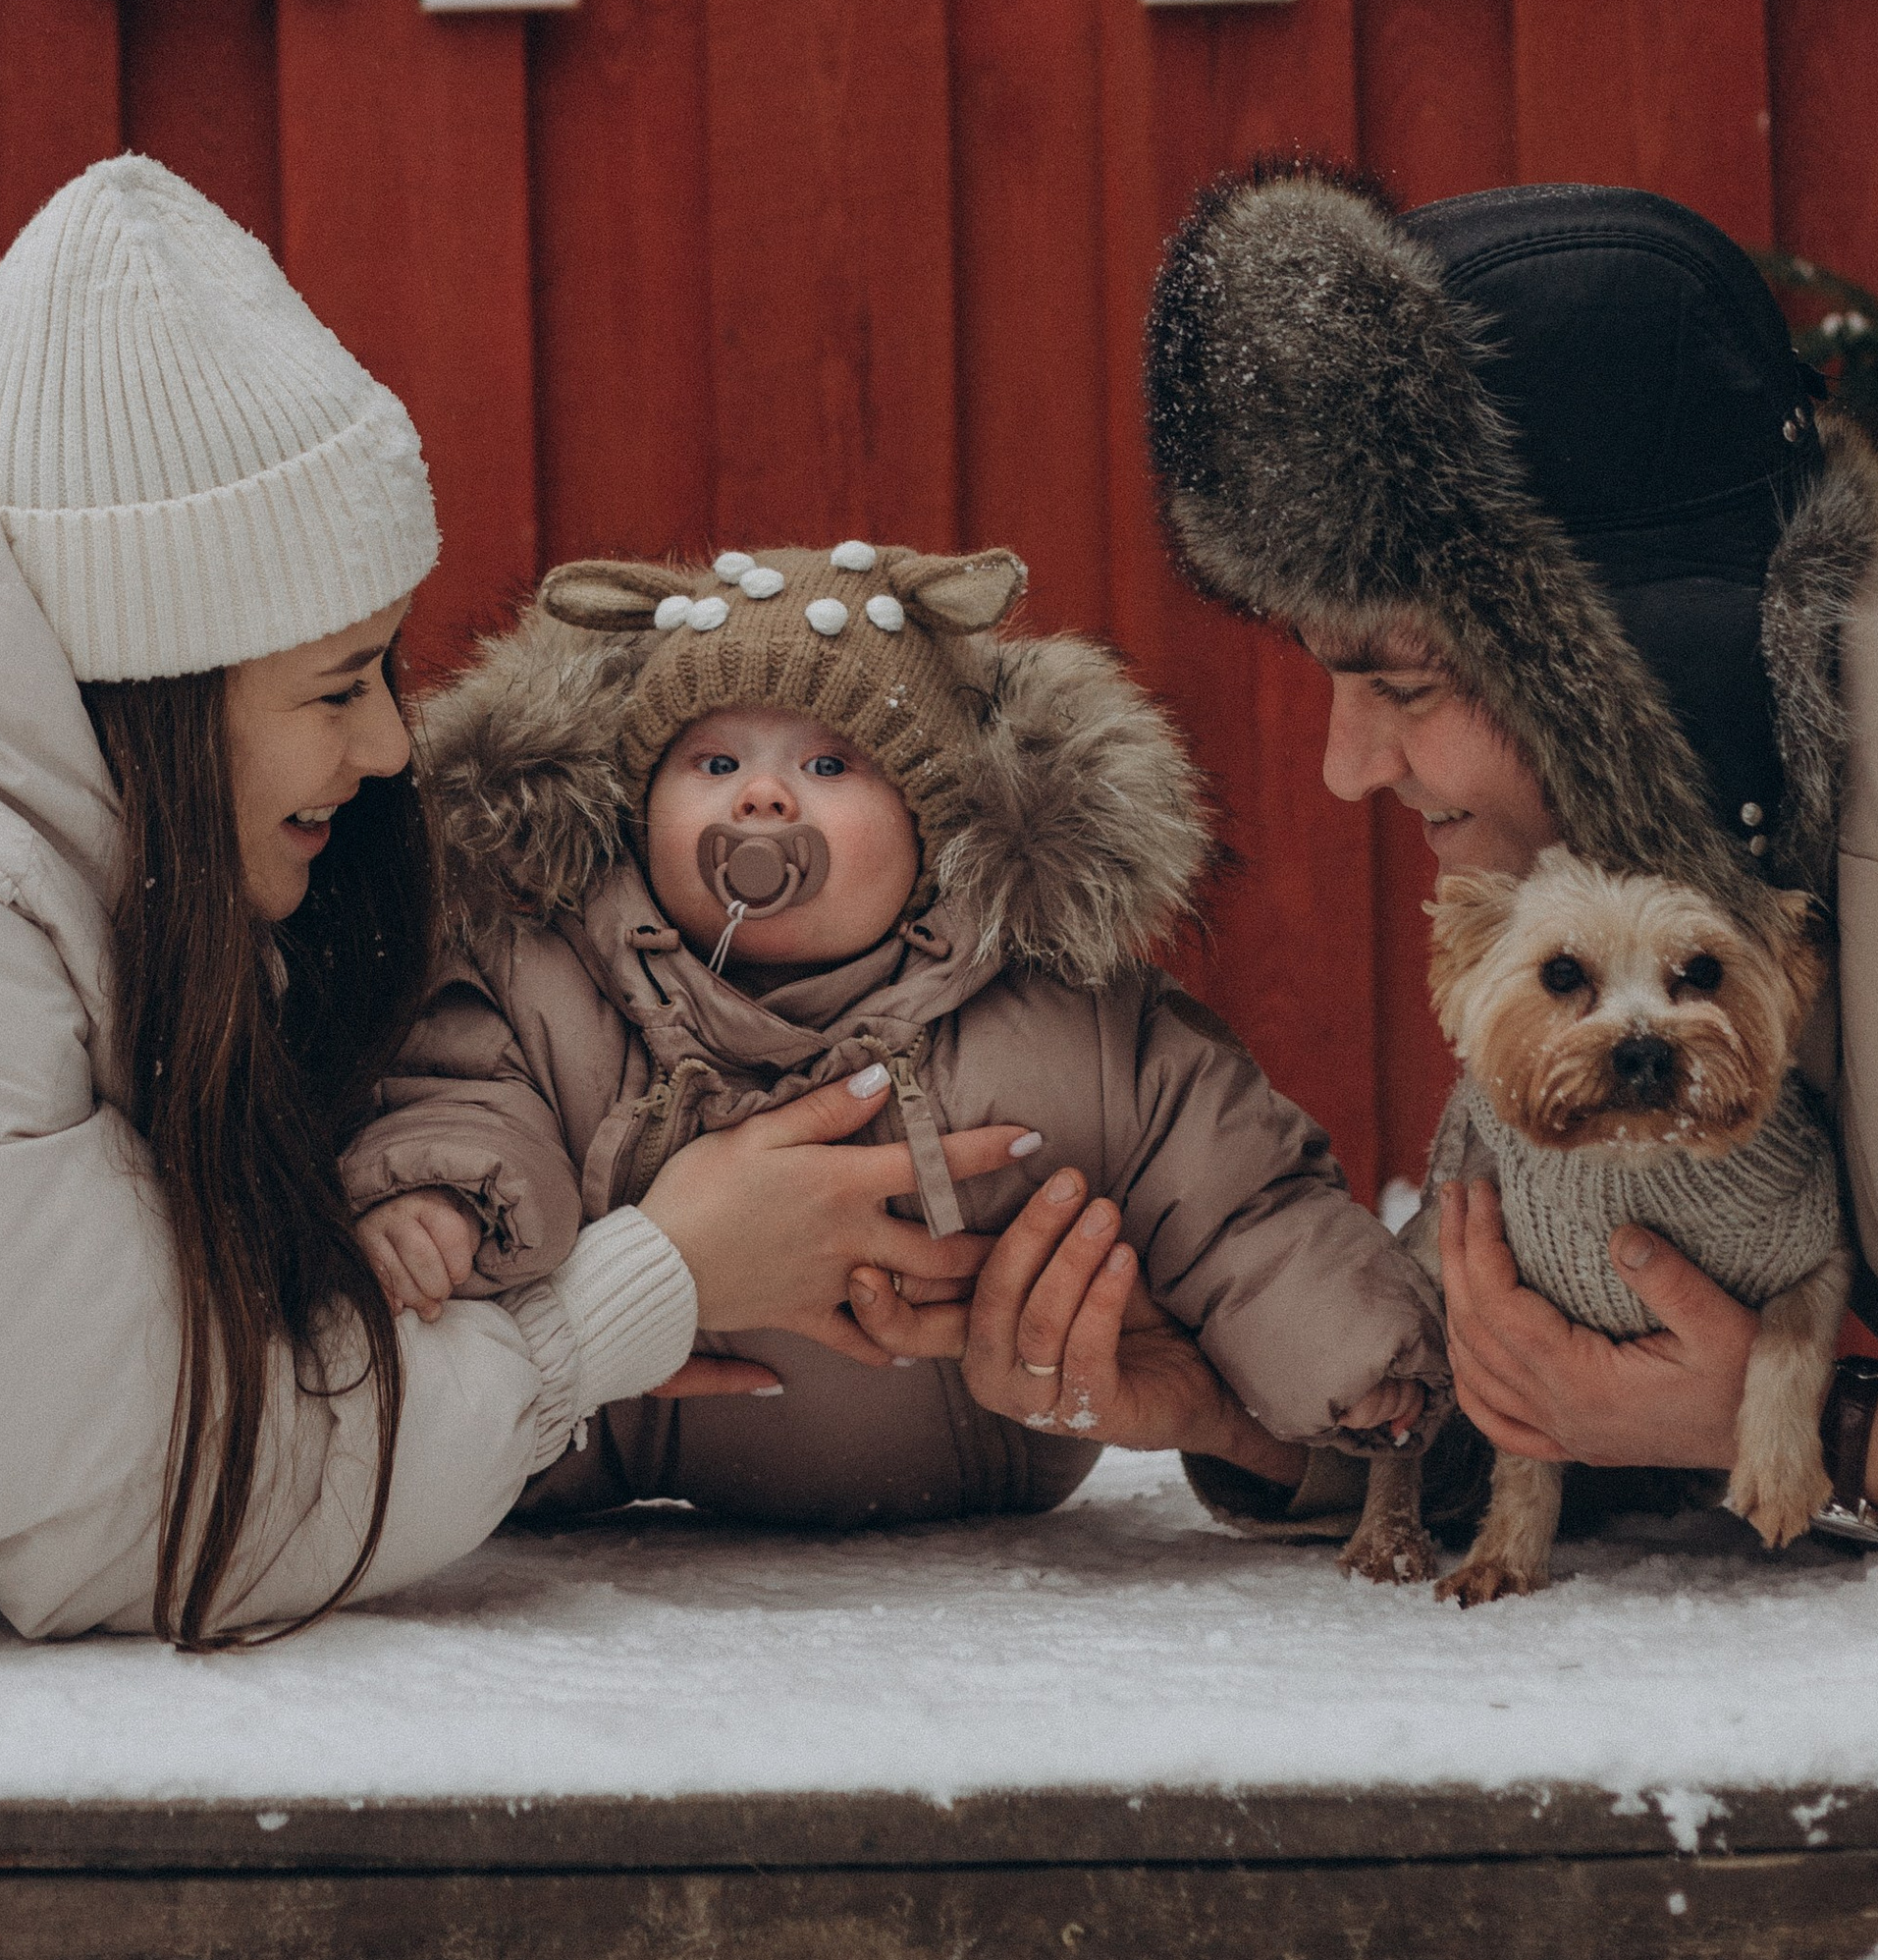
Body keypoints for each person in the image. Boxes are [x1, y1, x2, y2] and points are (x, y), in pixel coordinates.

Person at [0, 159, 1019, 1653]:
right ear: (158, 681)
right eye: (337, 684)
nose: (392, 743)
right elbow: (150, 1509)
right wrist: (645, 1287)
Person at [1140, 158, 1878, 1578]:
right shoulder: (1695, 844)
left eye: (1401, 679)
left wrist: (1832, 1431)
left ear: (1638, 664)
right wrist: (1259, 1414)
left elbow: (1732, 1410)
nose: (1345, 767)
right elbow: (1603, 1391)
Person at [339, 533, 1441, 1526]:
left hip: (980, 1477)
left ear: (935, 820)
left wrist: (1346, 1351)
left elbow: (1236, 1192)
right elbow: (459, 1092)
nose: (764, 799)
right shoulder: (545, 987)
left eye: (828, 765)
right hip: (601, 1469)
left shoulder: (1064, 1022)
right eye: (714, 763)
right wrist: (444, 1201)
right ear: (636, 811)